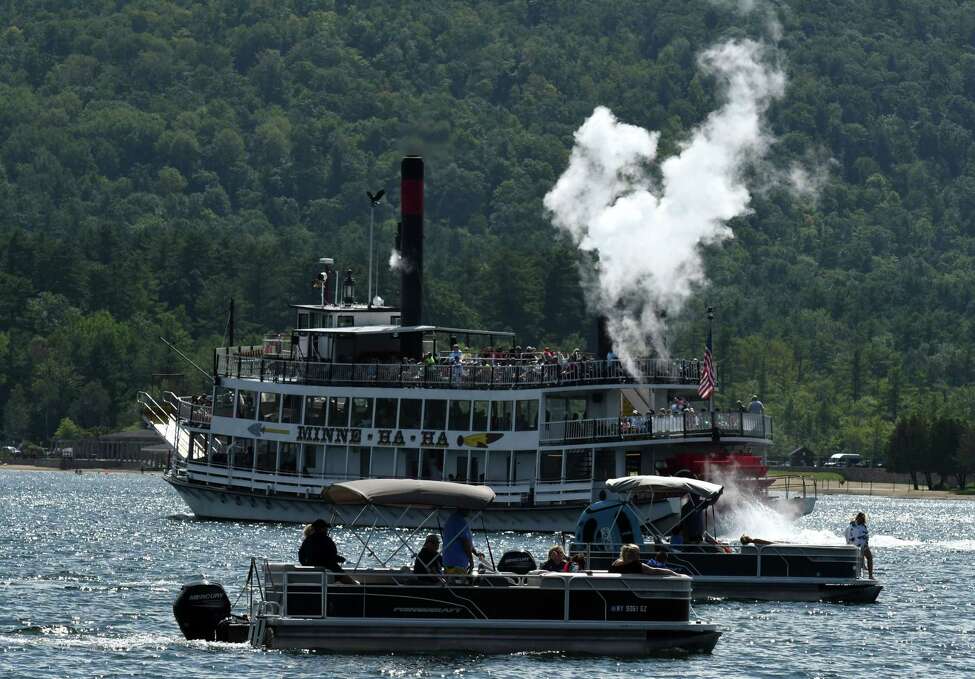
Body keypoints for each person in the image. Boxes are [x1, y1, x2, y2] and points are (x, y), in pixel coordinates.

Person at [298, 519, 357, 584]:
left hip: (313, 570)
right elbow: (330, 556)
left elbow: (301, 555)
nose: (327, 530)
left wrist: (306, 565)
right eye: (325, 528)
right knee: (345, 577)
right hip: (328, 568)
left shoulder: (307, 541)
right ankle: (355, 586)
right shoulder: (326, 540)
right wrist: (341, 559)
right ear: (321, 529)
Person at [442, 508, 483, 574]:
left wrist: (476, 553)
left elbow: (467, 541)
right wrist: (471, 562)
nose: (470, 511)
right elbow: (465, 542)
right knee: (459, 583)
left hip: (449, 562)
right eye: (469, 509)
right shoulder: (459, 521)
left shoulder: (452, 519)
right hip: (457, 564)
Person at [609, 544, 679, 575]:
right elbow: (654, 571)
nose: (639, 555)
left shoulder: (616, 562)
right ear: (635, 555)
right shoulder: (636, 565)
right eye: (638, 553)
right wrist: (671, 572)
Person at [844, 512, 874, 579]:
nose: (863, 520)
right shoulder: (860, 527)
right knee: (869, 557)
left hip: (852, 547)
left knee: (864, 555)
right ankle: (870, 575)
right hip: (858, 547)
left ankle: (863, 568)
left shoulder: (850, 526)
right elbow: (862, 538)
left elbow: (847, 535)